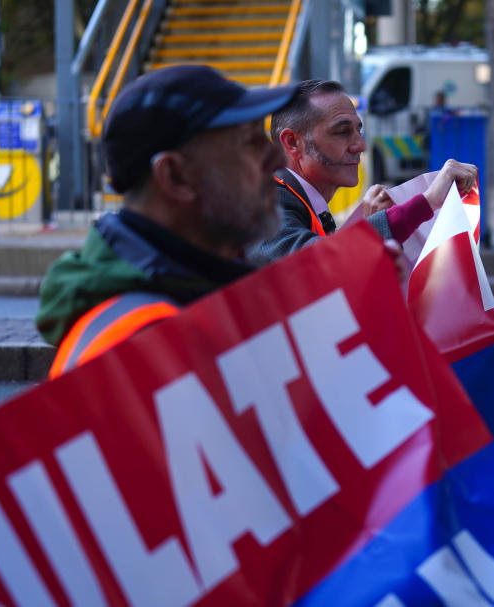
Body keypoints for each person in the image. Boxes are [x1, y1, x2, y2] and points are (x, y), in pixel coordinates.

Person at [34, 66, 400, 379]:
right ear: (176, 178)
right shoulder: (133, 345)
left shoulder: (203, 289)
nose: (275, 157)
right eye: (248, 144)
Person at [247, 79, 476, 264]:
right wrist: (425, 203)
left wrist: (371, 227)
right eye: (342, 132)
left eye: (358, 130)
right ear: (293, 142)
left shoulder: (292, 199)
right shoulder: (263, 204)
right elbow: (311, 262)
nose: (360, 145)